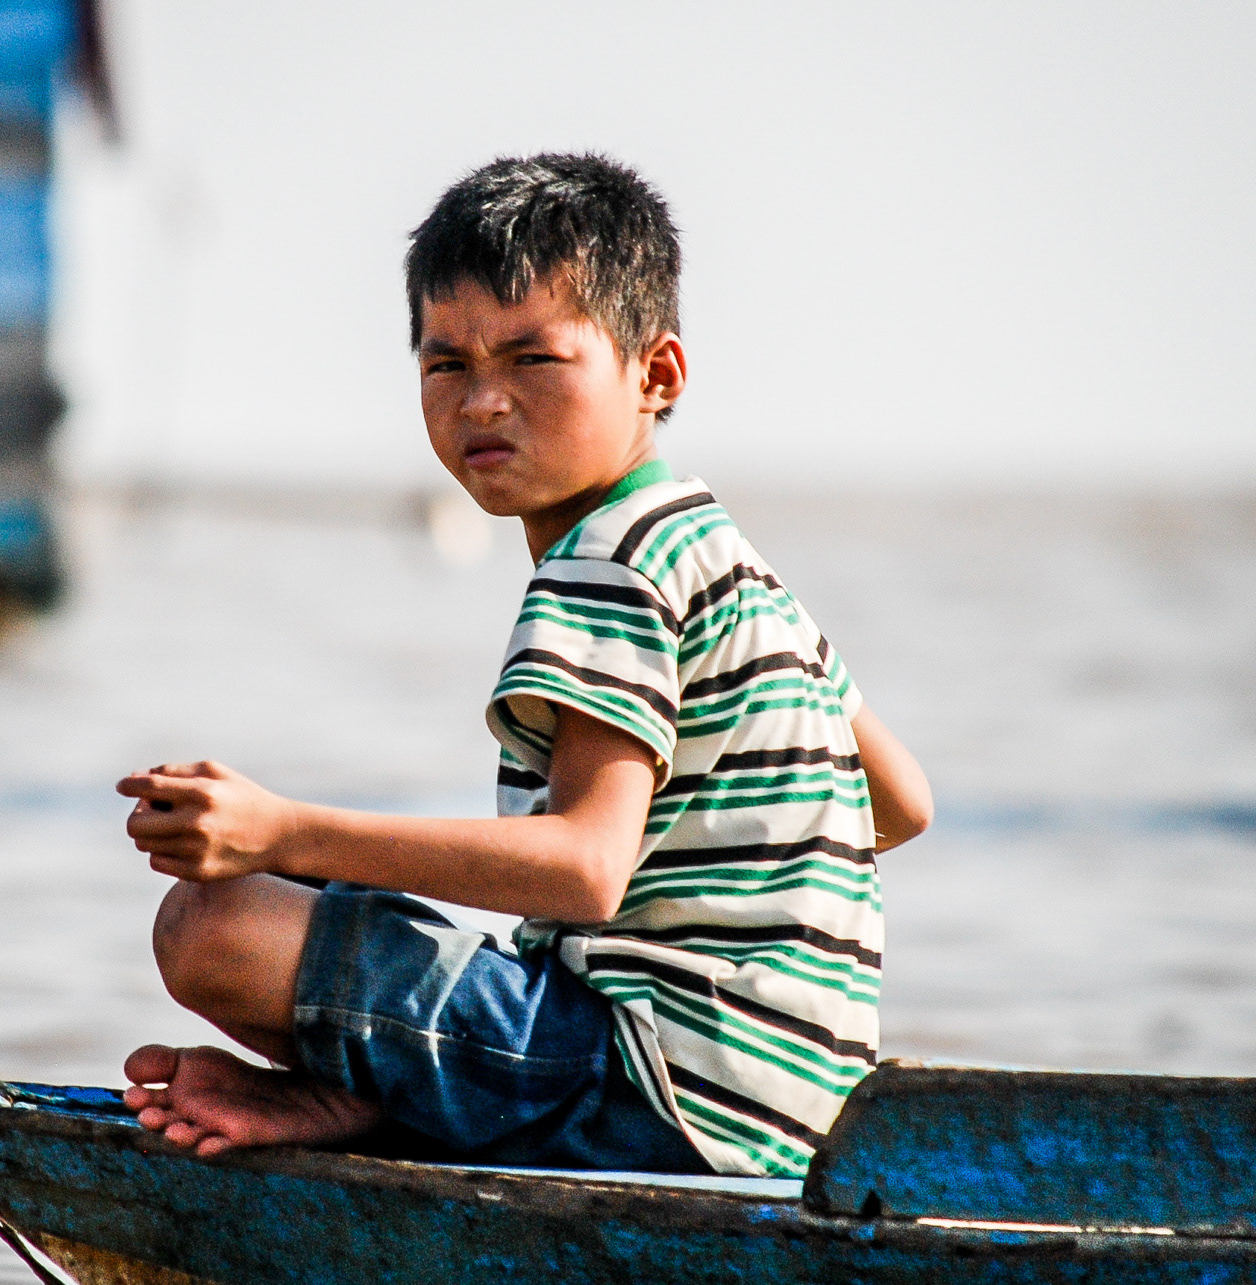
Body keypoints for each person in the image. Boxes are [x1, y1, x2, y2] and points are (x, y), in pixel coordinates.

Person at [114, 153, 933, 1178]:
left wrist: (287, 828)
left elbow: (587, 869)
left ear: (657, 375)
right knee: (291, 877)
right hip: (796, 1111)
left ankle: (371, 1101)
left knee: (215, 924)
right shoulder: (723, 554)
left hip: (659, 1099)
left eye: (533, 361)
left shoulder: (605, 563)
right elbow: (899, 801)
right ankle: (373, 1101)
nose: (483, 402)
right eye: (446, 364)